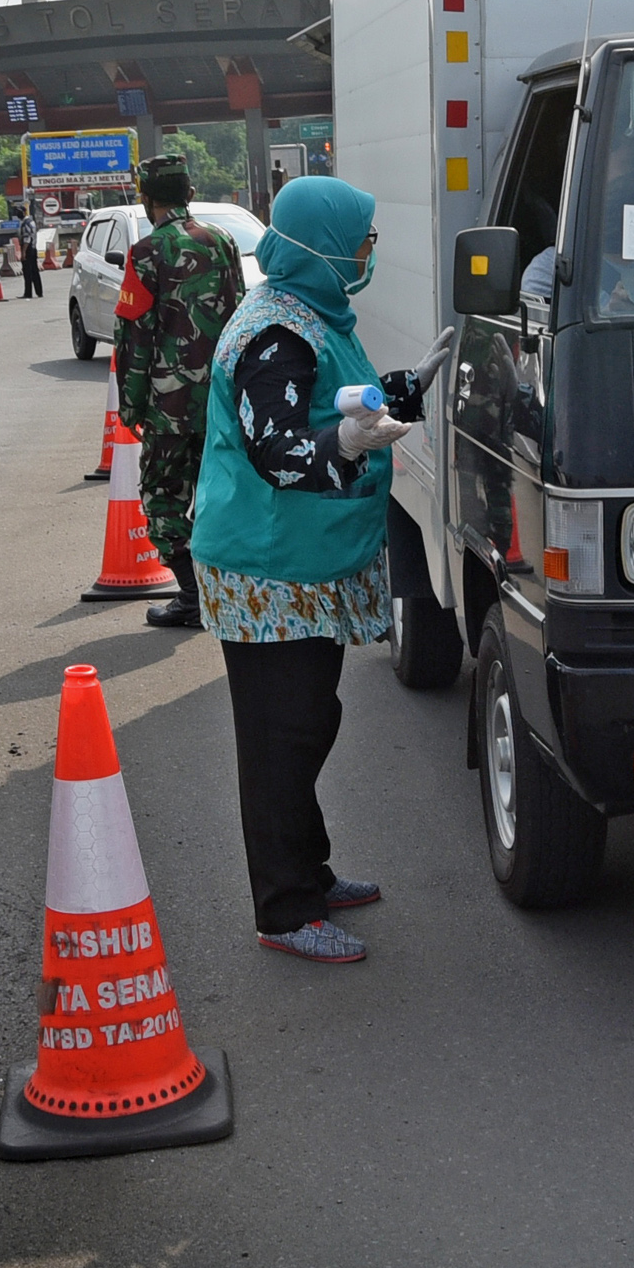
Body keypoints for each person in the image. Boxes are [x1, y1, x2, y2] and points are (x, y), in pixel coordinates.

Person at [189, 175, 413, 962]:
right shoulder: (275, 333)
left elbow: (331, 399)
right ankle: (285, 909)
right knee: (281, 733)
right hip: (266, 567)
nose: (369, 250)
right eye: (362, 239)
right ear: (323, 245)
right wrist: (347, 444)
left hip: (297, 560)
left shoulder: (309, 310)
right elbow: (279, 449)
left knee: (308, 718)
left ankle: (309, 871)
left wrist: (403, 393)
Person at [114, 155, 245, 629]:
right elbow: (240, 317)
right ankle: (225, 592)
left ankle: (192, 596)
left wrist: (130, 407)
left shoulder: (146, 252)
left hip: (168, 406)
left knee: (162, 497)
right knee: (220, 495)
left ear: (145, 198)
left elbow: (134, 337)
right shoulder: (224, 241)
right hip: (223, 401)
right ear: (189, 194)